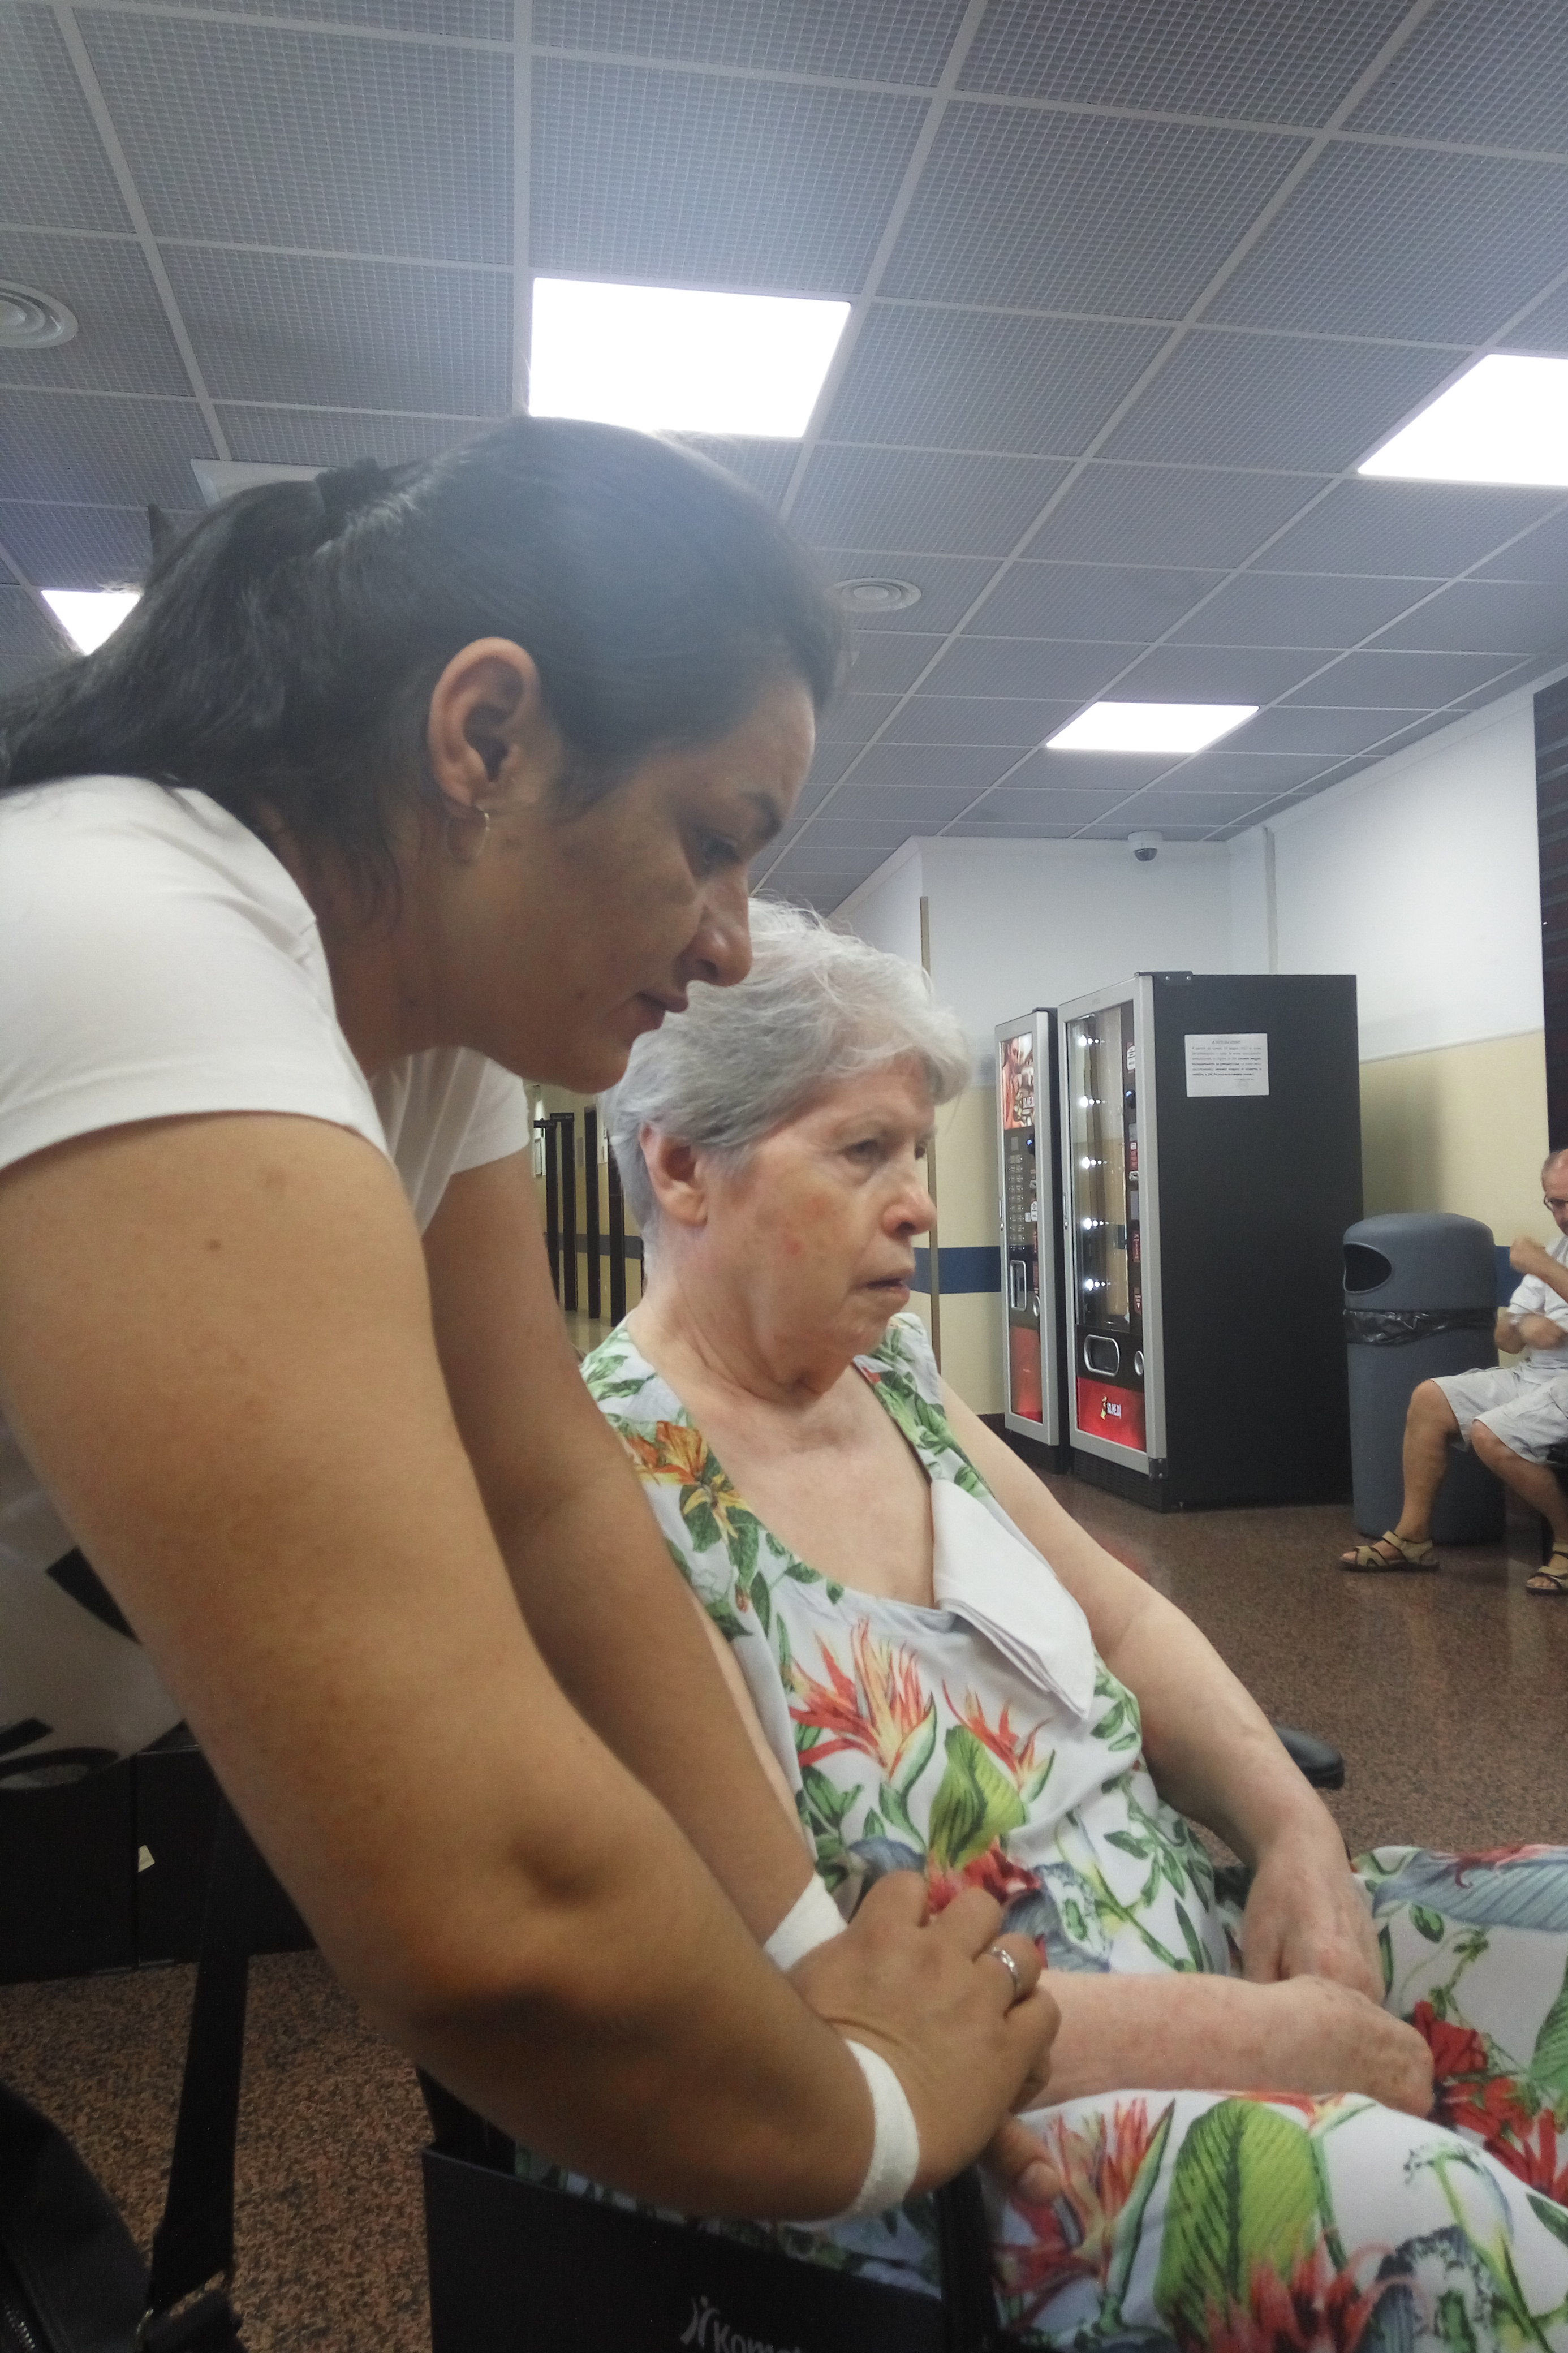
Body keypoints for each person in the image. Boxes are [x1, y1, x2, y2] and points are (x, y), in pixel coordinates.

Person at [0, 421, 1056, 2223]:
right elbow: (485, 1903)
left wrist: (807, 1955)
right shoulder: (129, 936)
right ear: (484, 735)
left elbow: (546, 1499)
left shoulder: (422, 1033)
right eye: (709, 843)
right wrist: (875, 2115)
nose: (731, 943)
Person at [543, 904, 1568, 2350]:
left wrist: (1292, 1836)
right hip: (965, 2127)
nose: (920, 1204)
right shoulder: (600, 1490)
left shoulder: (899, 1386)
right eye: (863, 1151)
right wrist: (1269, 2040)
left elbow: (1118, 1616)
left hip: (1190, 1942)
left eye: (920, 1152)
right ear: (683, 1164)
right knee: (1401, 2208)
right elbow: (781, 1988)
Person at [1340, 1148, 1568, 1595]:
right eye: (1556, 1203)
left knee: (1493, 1434)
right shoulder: (1560, 1250)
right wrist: (1524, 1326)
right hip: (1542, 1376)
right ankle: (1412, 1537)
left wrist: (1546, 1268)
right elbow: (1505, 1337)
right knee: (1429, 1398)